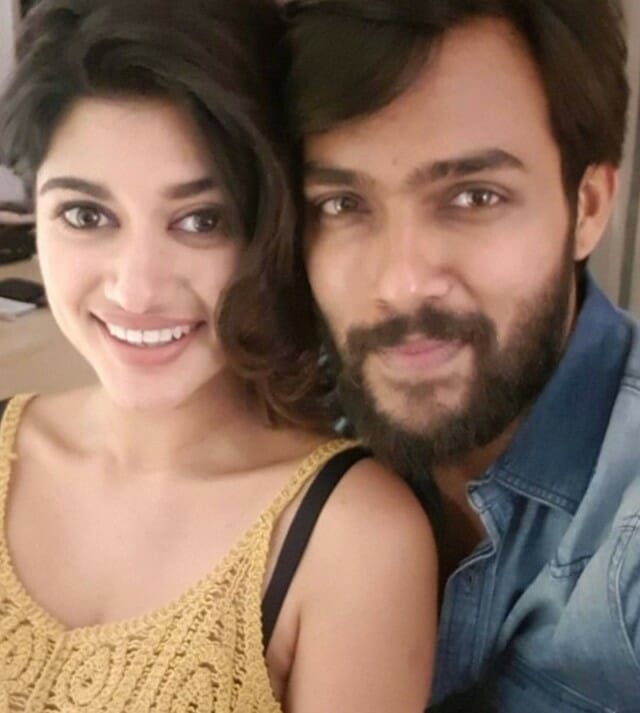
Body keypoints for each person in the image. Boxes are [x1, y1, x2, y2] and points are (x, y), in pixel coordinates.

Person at [0, 0, 438, 710]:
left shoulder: (350, 539)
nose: (136, 288)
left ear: (272, 231)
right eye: (86, 215)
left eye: (202, 220)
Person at [285, 0, 639, 710]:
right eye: (341, 204)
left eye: (476, 196)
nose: (401, 284)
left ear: (589, 206)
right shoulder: (286, 423)